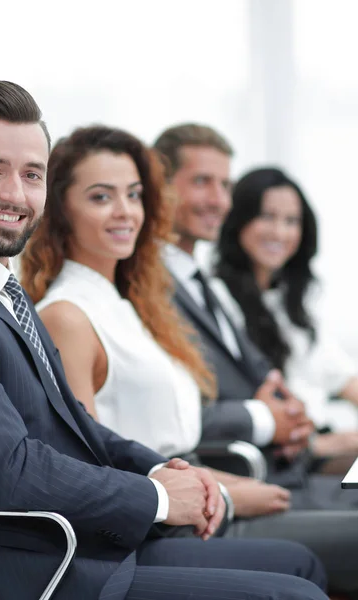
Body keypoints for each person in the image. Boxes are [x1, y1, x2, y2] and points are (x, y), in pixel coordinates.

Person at [0, 81, 328, 600]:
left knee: (298, 565)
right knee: (295, 595)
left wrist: (161, 469)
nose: (16, 195)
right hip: (22, 573)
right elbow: (10, 472)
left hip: (73, 549)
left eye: (31, 174)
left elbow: (76, 426)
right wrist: (155, 498)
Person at [21, 124, 357, 595]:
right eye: (101, 197)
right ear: (60, 212)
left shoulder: (126, 304)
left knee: (302, 561)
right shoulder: (68, 315)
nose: (125, 212)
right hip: (155, 525)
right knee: (302, 568)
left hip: (191, 495)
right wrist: (222, 492)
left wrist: (215, 485)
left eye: (134, 195)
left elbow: (159, 444)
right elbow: (92, 460)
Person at [153, 122, 358, 508]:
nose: (217, 200)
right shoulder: (158, 289)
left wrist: (284, 408)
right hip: (261, 470)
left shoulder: (206, 288)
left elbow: (268, 379)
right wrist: (270, 416)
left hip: (286, 461)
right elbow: (181, 410)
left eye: (225, 186)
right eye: (201, 181)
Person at [212, 167, 358, 460]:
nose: (280, 232)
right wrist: (321, 444)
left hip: (322, 440)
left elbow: (344, 377)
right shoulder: (217, 298)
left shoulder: (290, 303)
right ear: (239, 219)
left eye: (291, 221)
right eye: (267, 216)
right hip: (288, 453)